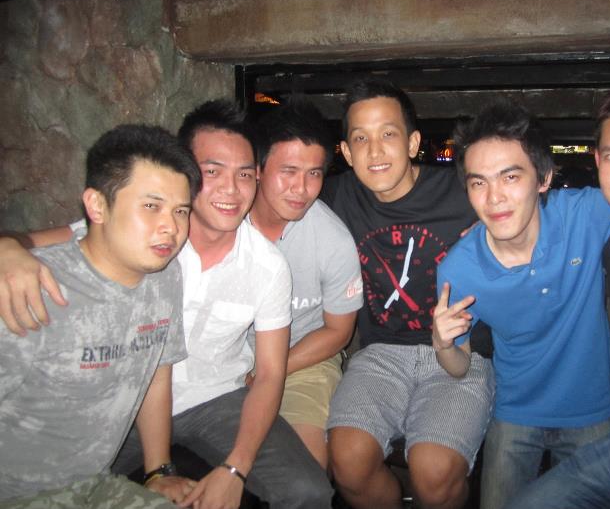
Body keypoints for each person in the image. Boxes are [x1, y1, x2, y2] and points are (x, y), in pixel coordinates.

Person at [0, 100, 333, 509]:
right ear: (185, 173)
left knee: (308, 490)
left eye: (244, 174)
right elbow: (45, 241)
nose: (231, 190)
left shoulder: (266, 266)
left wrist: (235, 469)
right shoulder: (145, 238)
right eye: (212, 172)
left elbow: (269, 374)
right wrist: (7, 249)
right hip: (130, 400)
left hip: (215, 398)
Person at [432, 97, 610, 509]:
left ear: (543, 178)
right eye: (479, 183)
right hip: (514, 410)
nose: (494, 198)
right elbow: (458, 367)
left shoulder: (585, 215)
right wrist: (442, 344)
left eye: (510, 177)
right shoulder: (458, 269)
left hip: (594, 411)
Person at [0, 125, 199, 507]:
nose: (171, 227)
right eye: (151, 206)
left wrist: (158, 471)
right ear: (96, 206)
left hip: (95, 484)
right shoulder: (31, 285)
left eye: (181, 211)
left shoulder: (165, 276)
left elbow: (156, 371)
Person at [321, 77, 495, 509]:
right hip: (381, 353)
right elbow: (274, 198)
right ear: (346, 152)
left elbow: (530, 206)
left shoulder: (463, 191)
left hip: (462, 353)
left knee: (434, 473)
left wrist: (495, 228)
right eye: (360, 138)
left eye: (388, 134)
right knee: (347, 462)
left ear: (413, 142)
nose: (375, 151)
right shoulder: (337, 196)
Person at [246, 99, 362, 469]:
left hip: (303, 361)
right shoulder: (227, 221)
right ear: (258, 169)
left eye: (314, 173)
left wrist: (270, 370)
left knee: (304, 472)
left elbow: (338, 332)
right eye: (289, 171)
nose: (301, 188)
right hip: (229, 356)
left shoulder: (333, 240)